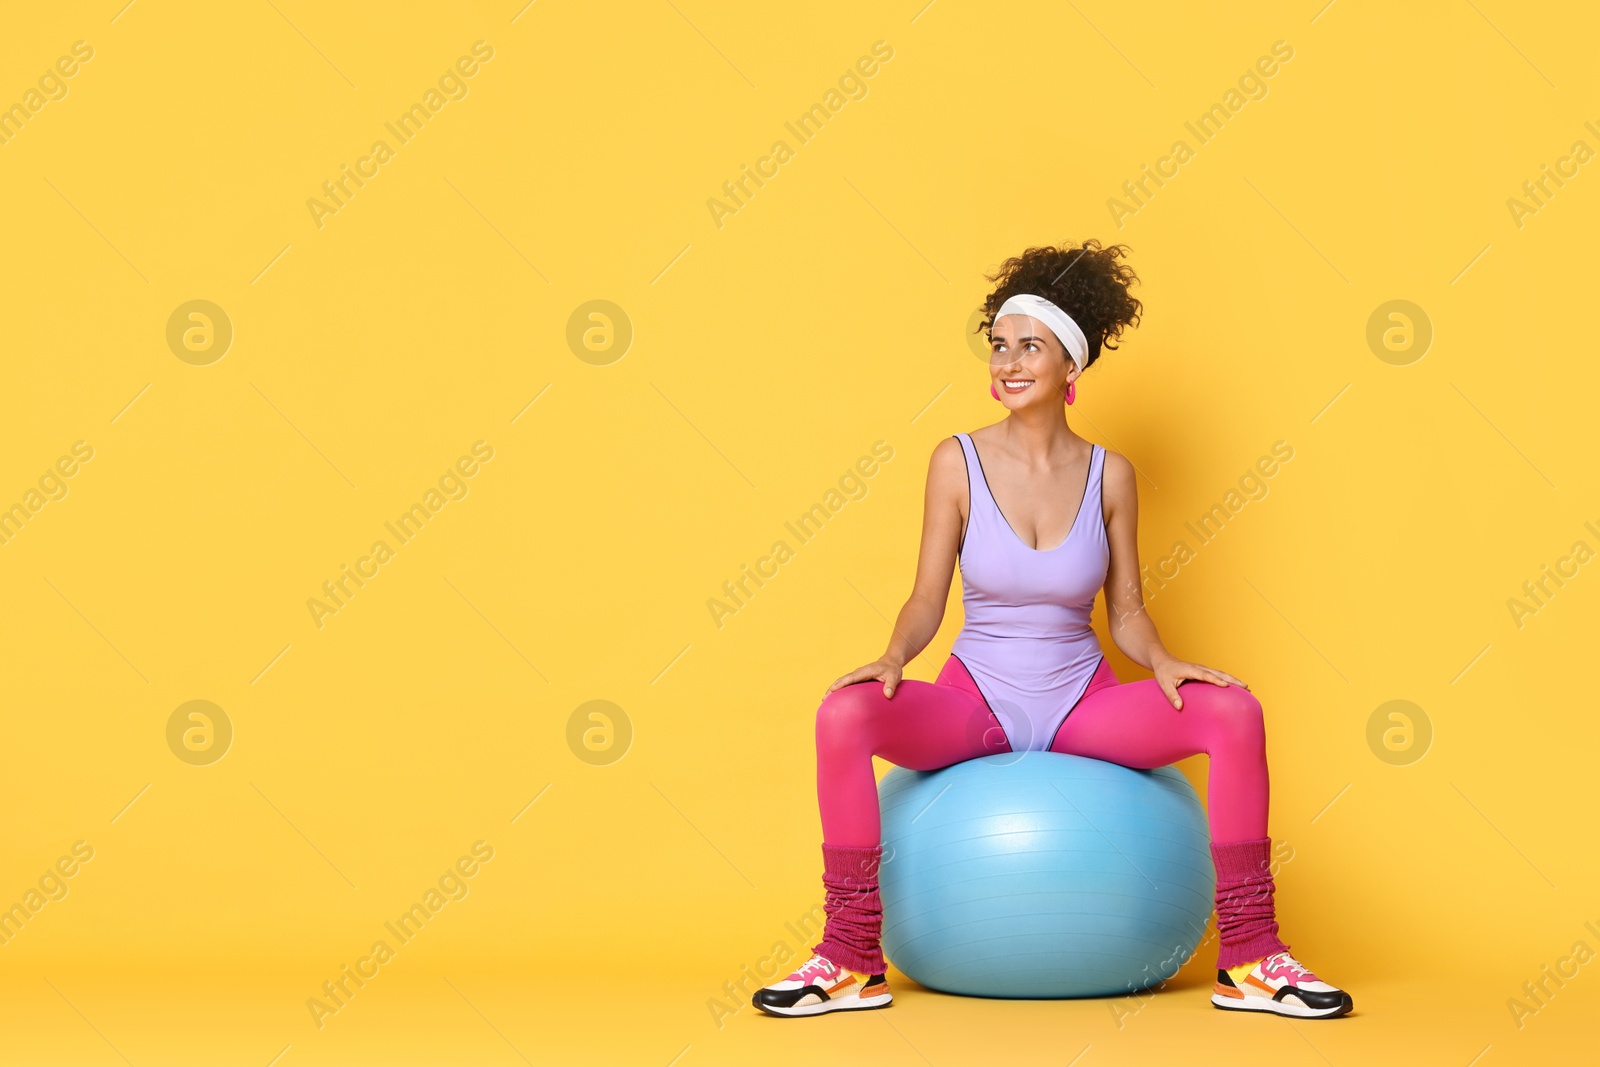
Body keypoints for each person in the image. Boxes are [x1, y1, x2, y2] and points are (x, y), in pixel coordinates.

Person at [752, 240, 1353, 1021]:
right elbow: (926, 598)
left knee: (1236, 711)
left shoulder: (1113, 474)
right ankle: (849, 957)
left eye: (1028, 346)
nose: (1006, 362)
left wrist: (1165, 661)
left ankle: (1252, 958)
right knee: (844, 712)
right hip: (978, 704)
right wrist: (895, 655)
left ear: (1071, 365)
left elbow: (1127, 610)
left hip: (1079, 701)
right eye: (998, 346)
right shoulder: (955, 461)